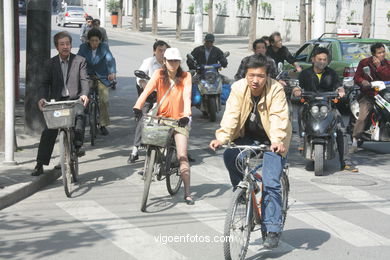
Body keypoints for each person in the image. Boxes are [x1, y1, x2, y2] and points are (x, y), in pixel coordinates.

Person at [209, 54, 292, 248]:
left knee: (271, 182)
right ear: (245, 75)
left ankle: (272, 228)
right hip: (246, 135)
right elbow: (231, 114)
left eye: (261, 76)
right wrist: (222, 137)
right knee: (230, 155)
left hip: (273, 139)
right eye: (252, 75)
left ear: (267, 76)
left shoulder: (276, 89)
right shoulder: (238, 87)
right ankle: (245, 190)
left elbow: (280, 116)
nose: (256, 80)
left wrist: (278, 140)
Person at [133, 48, 194, 205]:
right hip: (162, 117)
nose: (173, 64)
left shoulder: (186, 76)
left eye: (176, 61)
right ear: (164, 61)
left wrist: (186, 115)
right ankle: (153, 163)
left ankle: (187, 192)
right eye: (170, 61)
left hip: (181, 119)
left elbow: (187, 96)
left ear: (180, 62)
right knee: (152, 142)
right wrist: (137, 106)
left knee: (182, 156)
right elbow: (147, 90)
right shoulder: (159, 74)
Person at [31, 31, 89, 176]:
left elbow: (84, 80)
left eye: (67, 44)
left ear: (71, 45)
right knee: (49, 130)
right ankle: (40, 164)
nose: (65, 47)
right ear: (57, 47)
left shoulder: (80, 61)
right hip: (57, 103)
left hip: (74, 100)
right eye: (62, 44)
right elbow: (44, 84)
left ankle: (77, 146)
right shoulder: (50, 64)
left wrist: (84, 95)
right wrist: (42, 98)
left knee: (80, 115)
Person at [292, 47, 358, 172]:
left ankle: (345, 162)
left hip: (328, 106)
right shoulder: (305, 73)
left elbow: (339, 86)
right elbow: (297, 87)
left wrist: (341, 90)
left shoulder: (331, 73)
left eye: (324, 59)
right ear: (313, 59)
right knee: (301, 113)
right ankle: (302, 142)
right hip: (309, 105)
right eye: (319, 59)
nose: (322, 62)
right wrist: (297, 91)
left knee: (340, 128)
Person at [128, 40, 170, 164]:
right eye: (160, 50)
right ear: (154, 51)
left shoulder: (170, 63)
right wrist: (145, 86)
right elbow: (140, 78)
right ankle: (135, 151)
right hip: (150, 96)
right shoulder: (148, 62)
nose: (162, 53)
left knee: (175, 121)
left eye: (164, 51)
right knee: (143, 120)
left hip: (166, 98)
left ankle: (177, 151)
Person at [351, 42, 390, 151]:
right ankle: (355, 140)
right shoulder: (364, 63)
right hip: (370, 95)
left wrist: (379, 67)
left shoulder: (387, 64)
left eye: (383, 52)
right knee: (363, 115)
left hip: (386, 94)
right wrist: (363, 82)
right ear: (373, 54)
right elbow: (357, 77)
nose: (382, 54)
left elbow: (387, 76)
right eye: (379, 53)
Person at [77, 28, 117, 136]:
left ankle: (102, 125)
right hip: (87, 76)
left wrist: (112, 72)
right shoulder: (83, 48)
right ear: (88, 40)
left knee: (103, 99)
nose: (94, 43)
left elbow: (110, 59)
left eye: (96, 40)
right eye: (92, 40)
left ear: (100, 40)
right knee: (83, 98)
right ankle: (82, 120)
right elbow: (78, 60)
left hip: (102, 76)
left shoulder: (104, 47)